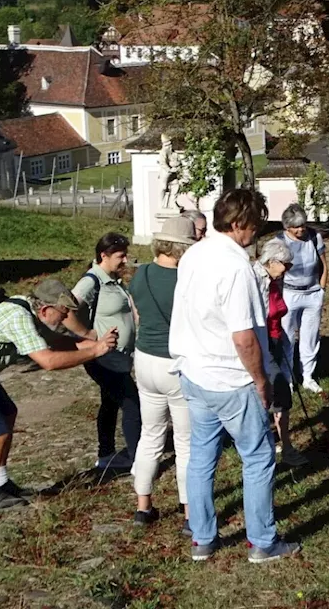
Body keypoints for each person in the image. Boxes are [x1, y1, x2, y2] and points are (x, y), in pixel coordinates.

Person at [170, 188, 300, 563]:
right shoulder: (237, 267)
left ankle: (203, 537)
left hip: (194, 372)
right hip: (230, 378)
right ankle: (262, 540)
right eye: (256, 224)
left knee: (201, 457)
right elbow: (244, 337)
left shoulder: (194, 254)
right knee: (258, 458)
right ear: (240, 223)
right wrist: (260, 380)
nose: (257, 232)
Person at [0, 279, 117, 509]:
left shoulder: (28, 309)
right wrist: (96, 351)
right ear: (46, 310)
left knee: (8, 413)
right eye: (64, 312)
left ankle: (1, 482)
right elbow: (47, 361)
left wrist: (93, 344)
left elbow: (56, 342)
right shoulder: (18, 317)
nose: (66, 319)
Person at [129, 216, 197, 530]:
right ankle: (188, 512)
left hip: (144, 360)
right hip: (175, 363)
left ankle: (143, 506)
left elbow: (138, 316)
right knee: (184, 442)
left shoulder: (139, 273)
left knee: (150, 435)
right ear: (182, 248)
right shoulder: (186, 281)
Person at [63, 232, 141, 471]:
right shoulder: (91, 281)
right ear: (103, 255)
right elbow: (66, 310)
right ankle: (138, 458)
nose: (125, 260)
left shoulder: (113, 279)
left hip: (119, 356)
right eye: (120, 255)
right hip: (104, 356)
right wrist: (88, 334)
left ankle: (106, 453)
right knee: (132, 403)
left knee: (110, 402)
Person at [254, 237, 308, 467]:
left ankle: (283, 446)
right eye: (286, 264)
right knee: (273, 394)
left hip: (275, 341)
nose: (289, 270)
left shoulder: (275, 279)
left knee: (280, 395)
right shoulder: (254, 279)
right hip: (258, 345)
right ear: (272, 261)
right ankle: (272, 448)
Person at [277, 203, 328, 394]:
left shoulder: (314, 237)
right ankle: (287, 379)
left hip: (313, 293)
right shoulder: (279, 242)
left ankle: (308, 376)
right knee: (287, 338)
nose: (300, 230)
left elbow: (323, 265)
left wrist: (321, 288)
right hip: (289, 294)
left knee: (310, 337)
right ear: (286, 227)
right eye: (296, 227)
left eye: (303, 225)